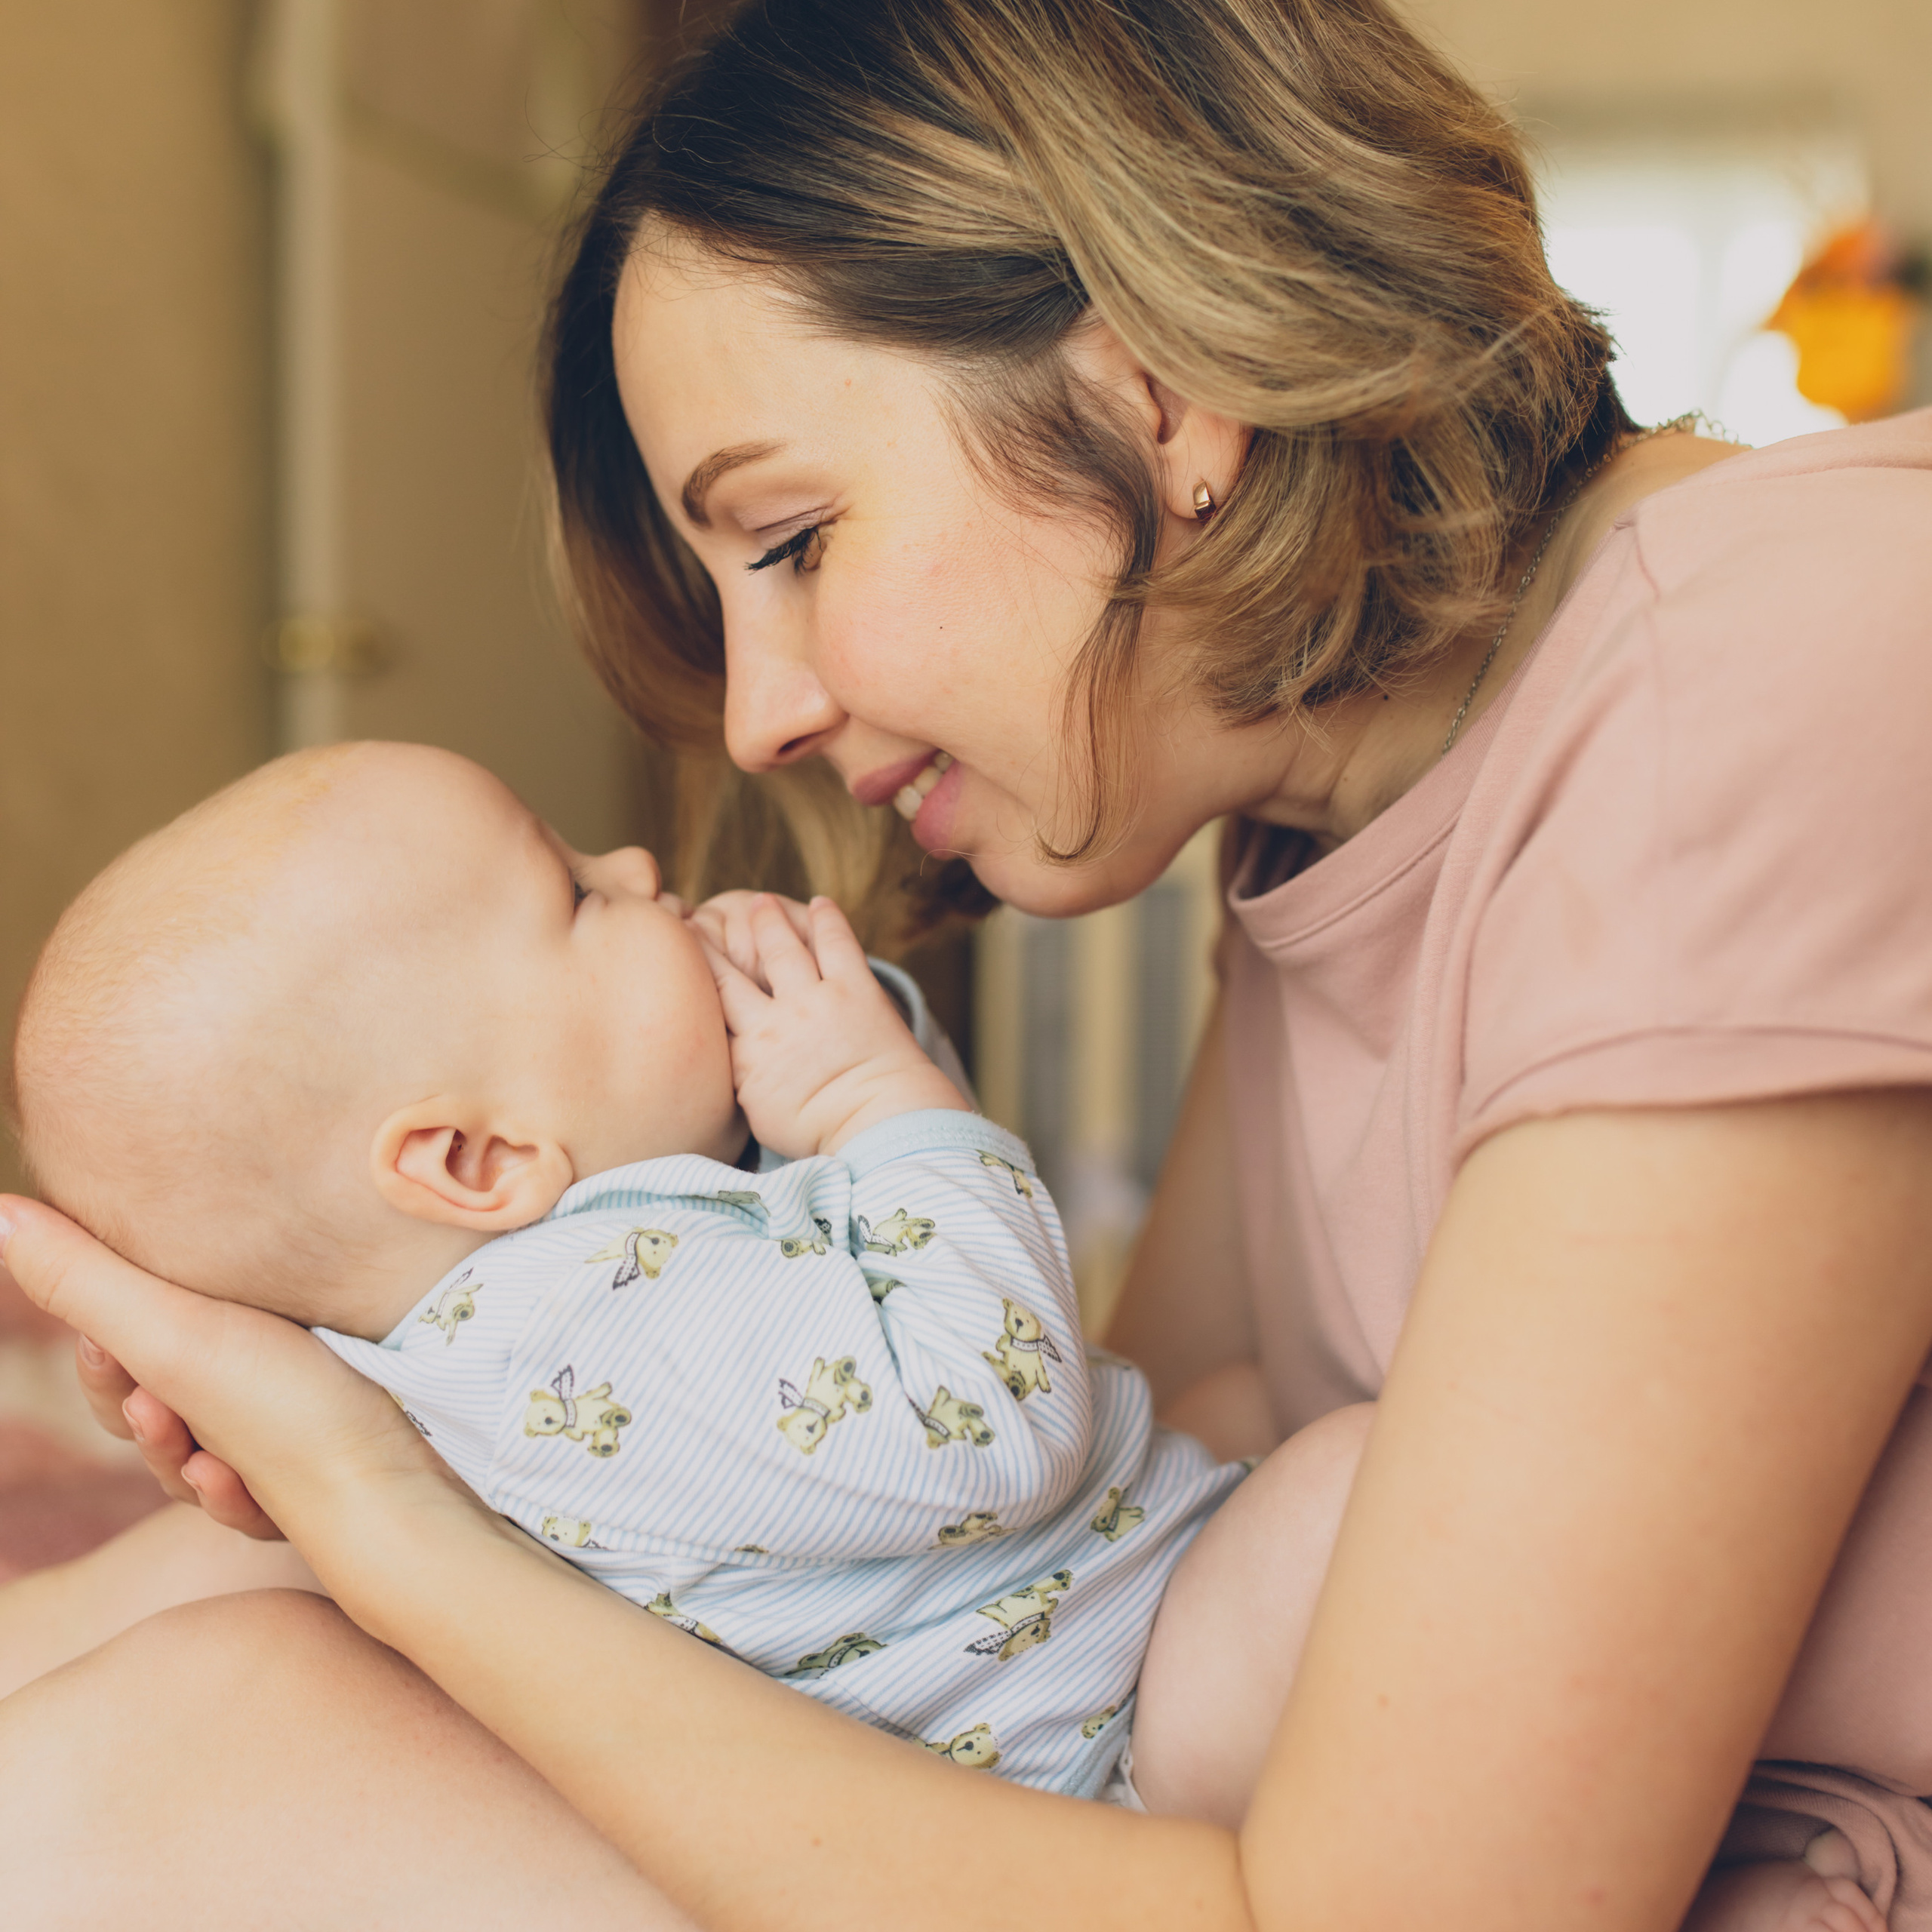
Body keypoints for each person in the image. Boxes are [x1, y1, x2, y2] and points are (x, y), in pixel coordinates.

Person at [3, 1, 1932, 1927]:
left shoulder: (1752, 681)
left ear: (1157, 394)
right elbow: (1148, 1443)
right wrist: (483, 1432)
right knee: (210, 1605)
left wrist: (398, 1520)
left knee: (196, 1741)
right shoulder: (1322, 787)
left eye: (792, 535)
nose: (753, 719)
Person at [10, 740, 1247, 1804]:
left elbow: (883, 1258)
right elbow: (989, 1415)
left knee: (1246, 1406)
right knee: (1333, 1477)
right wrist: (879, 1106)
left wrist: (838, 1060)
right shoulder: (597, 1330)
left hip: (1085, 1615)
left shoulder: (503, 1307)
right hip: (1105, 1716)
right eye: (580, 895)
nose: (642, 871)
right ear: (477, 1159)